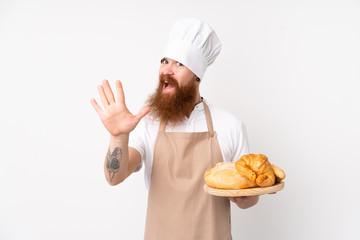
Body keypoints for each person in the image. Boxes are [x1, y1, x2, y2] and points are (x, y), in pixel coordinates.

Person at [90, 18, 259, 240]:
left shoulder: (230, 125)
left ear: (197, 76)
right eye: (165, 61)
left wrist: (246, 198)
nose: (167, 70)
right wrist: (119, 137)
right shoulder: (148, 124)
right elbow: (114, 177)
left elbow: (252, 195)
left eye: (179, 64)